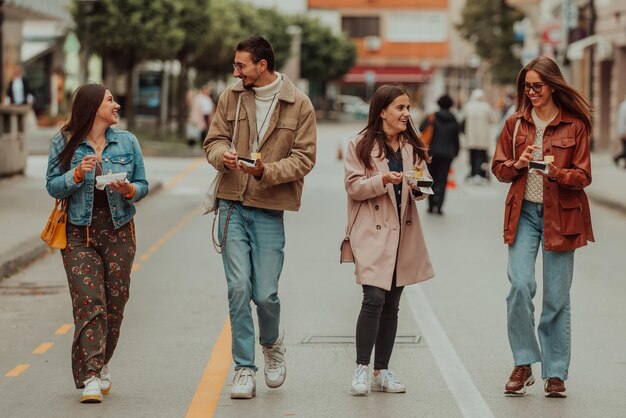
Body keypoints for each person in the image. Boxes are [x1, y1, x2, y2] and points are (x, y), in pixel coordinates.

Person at [203, 36, 316, 399]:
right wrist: (225, 157)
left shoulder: (299, 104)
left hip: (270, 207)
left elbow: (304, 159)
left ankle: (271, 345)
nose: (235, 72)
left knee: (265, 293)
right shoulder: (231, 97)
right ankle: (244, 368)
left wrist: (265, 171)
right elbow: (213, 141)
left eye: (241, 66)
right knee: (238, 290)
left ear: (262, 66)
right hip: (231, 204)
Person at [491, 56, 594, 399]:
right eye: (526, 86)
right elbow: (499, 169)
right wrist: (517, 164)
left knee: (556, 298)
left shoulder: (574, 125)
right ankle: (523, 362)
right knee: (519, 285)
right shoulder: (515, 124)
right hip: (523, 215)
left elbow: (583, 176)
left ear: (552, 85)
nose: (531, 92)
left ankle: (554, 372)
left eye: (537, 85)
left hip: (562, 216)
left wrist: (556, 173)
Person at [45, 84, 149, 403]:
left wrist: (128, 189)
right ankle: (90, 374)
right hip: (79, 234)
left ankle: (101, 364)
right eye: (110, 101)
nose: (116, 105)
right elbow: (52, 185)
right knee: (90, 302)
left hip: (119, 231)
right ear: (93, 108)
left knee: (115, 305)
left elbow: (142, 184)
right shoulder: (64, 142)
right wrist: (76, 175)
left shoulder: (127, 142)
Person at [344, 84, 435, 396]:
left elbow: (421, 188)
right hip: (372, 232)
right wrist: (381, 179)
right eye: (400, 108)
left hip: (402, 232)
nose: (406, 114)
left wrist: (420, 186)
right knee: (373, 299)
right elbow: (354, 187)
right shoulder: (359, 144)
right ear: (382, 110)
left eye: (408, 108)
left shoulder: (411, 146)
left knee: (393, 304)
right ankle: (360, 368)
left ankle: (381, 370)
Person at [420, 94, 461, 215]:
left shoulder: (432, 117)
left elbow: (422, 128)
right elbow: (456, 137)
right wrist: (456, 152)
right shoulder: (453, 118)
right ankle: (439, 207)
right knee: (442, 180)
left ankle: (430, 205)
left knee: (430, 179)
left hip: (432, 152)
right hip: (448, 154)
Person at [462, 89, 497, 184]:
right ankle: (480, 173)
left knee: (472, 155)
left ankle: (473, 173)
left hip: (471, 137)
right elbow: (494, 119)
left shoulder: (468, 106)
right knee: (481, 156)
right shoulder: (487, 107)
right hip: (483, 138)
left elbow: (463, 119)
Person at [613, 94, 626, 168]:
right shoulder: (624, 106)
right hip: (624, 132)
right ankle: (616, 158)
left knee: (625, 150)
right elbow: (622, 120)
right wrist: (622, 132)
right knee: (624, 150)